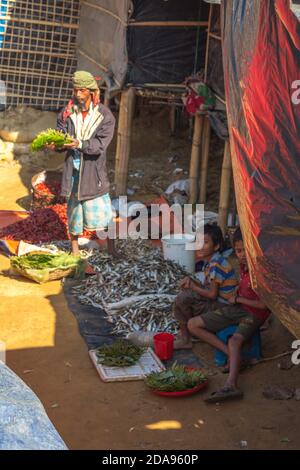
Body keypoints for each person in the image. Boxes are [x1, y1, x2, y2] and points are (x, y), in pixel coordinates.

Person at [188, 227, 271, 402]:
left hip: (253, 314)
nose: (241, 255)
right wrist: (237, 298)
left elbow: (264, 306)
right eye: (238, 251)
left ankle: (231, 385)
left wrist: (239, 299)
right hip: (237, 309)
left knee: (234, 341)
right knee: (192, 324)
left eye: (245, 251)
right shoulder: (243, 266)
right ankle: (236, 358)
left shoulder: (262, 272)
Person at [47, 70, 116, 257]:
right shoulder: (67, 113)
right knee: (74, 213)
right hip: (73, 170)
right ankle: (75, 251)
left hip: (94, 172)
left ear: (92, 92)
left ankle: (112, 250)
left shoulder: (105, 116)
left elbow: (100, 145)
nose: (78, 94)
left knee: (103, 213)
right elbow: (61, 137)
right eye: (76, 89)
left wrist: (79, 143)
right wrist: (56, 145)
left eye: (82, 90)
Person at [173, 224, 238, 349]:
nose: (200, 246)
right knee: (183, 298)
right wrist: (191, 281)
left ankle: (189, 336)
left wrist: (193, 287)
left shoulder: (216, 264)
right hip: (218, 302)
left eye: (205, 242)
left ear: (217, 246)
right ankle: (188, 334)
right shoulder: (210, 262)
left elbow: (212, 294)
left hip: (223, 307)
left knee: (183, 298)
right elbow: (207, 288)